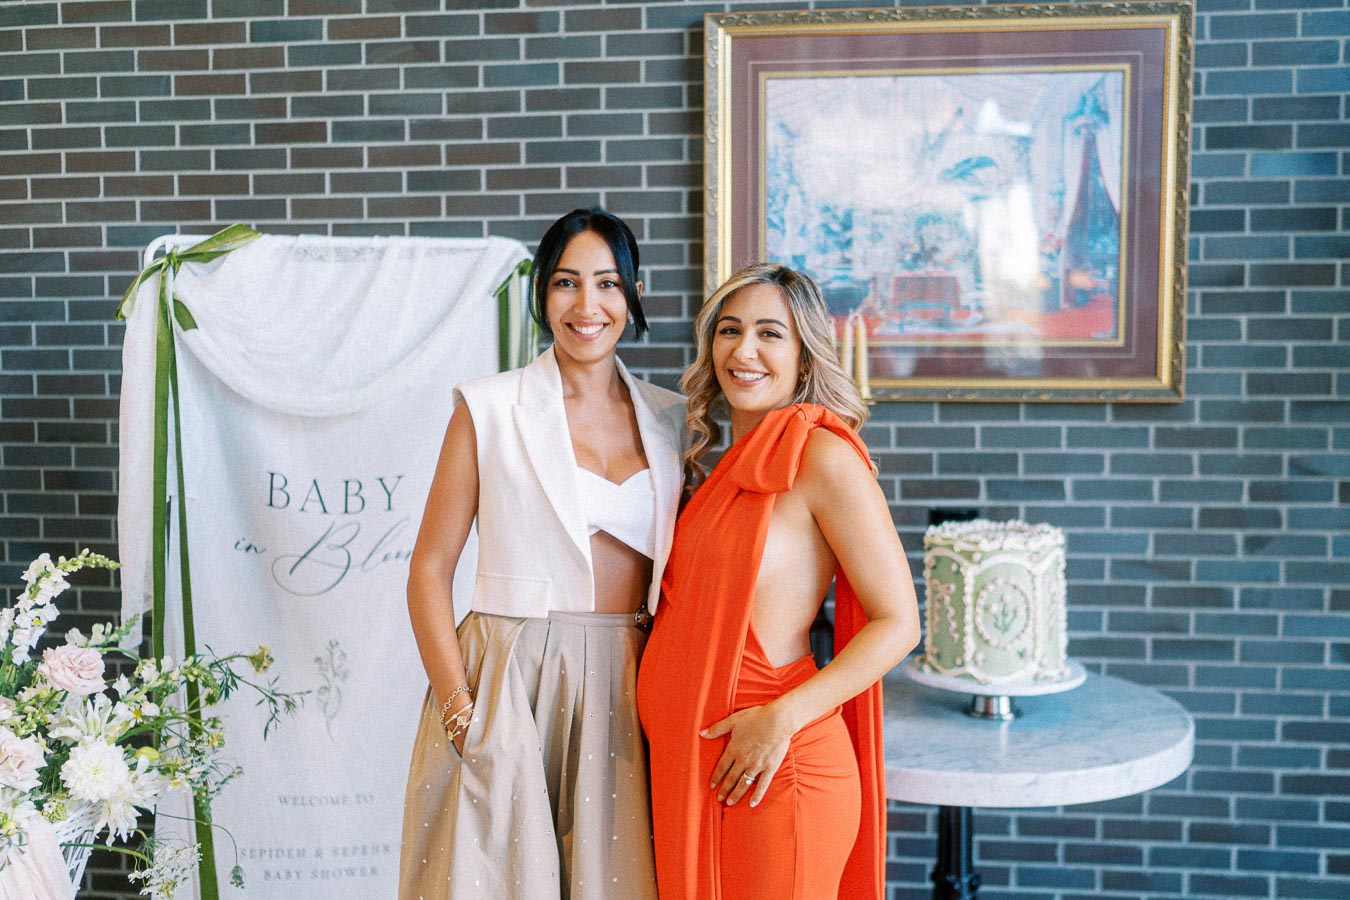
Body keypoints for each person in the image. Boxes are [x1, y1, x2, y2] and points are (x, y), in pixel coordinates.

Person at [399, 208, 685, 899]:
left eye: (608, 284)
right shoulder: (487, 408)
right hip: (511, 678)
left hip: (634, 679)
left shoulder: (675, 418)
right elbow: (428, 571)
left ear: (634, 293)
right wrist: (461, 709)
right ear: (541, 294)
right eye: (566, 283)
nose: (587, 305)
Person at [637, 263, 921, 900]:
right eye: (730, 330)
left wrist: (781, 719)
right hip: (704, 772)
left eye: (771, 333)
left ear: (803, 354)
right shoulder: (720, 467)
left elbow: (899, 622)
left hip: (777, 769)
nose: (745, 350)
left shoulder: (823, 458)